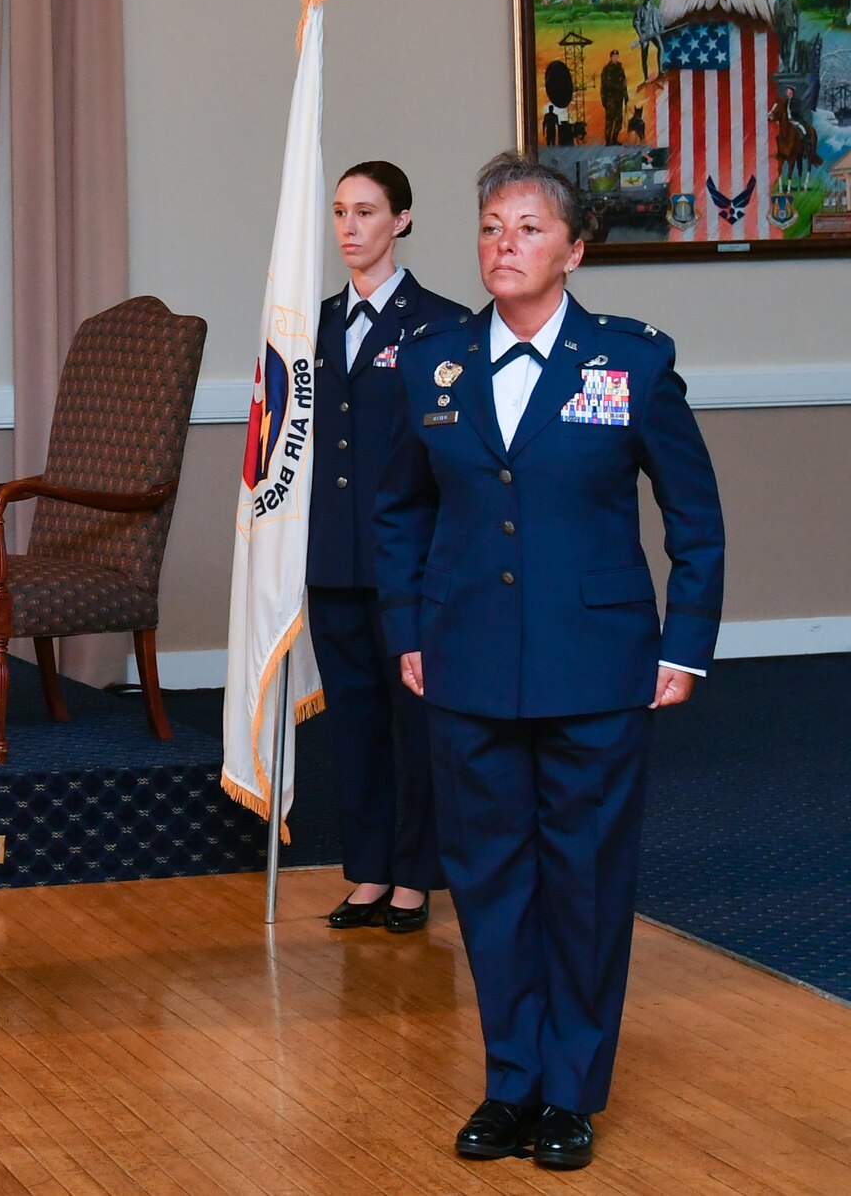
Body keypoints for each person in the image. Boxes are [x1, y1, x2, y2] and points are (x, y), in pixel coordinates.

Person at [374, 152, 723, 1171]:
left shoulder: (633, 363)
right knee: (486, 881)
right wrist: (405, 628)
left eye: (525, 229)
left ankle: (568, 1091)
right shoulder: (429, 363)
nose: (501, 245)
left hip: (597, 664)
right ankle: (508, 1084)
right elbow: (397, 511)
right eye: (487, 227)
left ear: (571, 250)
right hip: (465, 662)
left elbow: (693, 520)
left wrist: (684, 647)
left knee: (582, 879)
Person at [309, 162, 470, 936]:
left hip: (408, 566)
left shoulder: (440, 324)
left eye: (366, 211)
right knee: (355, 724)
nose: (349, 227)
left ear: (401, 220)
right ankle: (369, 871)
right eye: (339, 211)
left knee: (415, 727)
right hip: (332, 559)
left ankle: (414, 878)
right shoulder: (312, 323)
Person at [632, 0, 663, 83]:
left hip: (654, 33)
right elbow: (636, 23)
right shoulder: (640, 9)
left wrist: (661, 28)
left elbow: (660, 20)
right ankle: (646, 78)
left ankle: (660, 71)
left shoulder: (655, 9)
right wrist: (640, 35)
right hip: (645, 34)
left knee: (661, 47)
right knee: (644, 55)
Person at [599, 51, 628, 146]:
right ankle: (608, 141)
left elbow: (624, 84)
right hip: (610, 100)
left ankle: (614, 139)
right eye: (614, 56)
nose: (615, 58)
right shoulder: (606, 70)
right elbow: (603, 86)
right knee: (610, 121)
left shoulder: (620, 69)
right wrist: (604, 99)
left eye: (617, 56)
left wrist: (625, 96)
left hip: (619, 99)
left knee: (618, 120)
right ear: (611, 57)